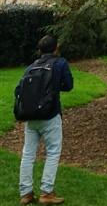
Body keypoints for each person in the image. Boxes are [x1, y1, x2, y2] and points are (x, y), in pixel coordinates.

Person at [17, 34, 74, 206]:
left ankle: (25, 193)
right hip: (50, 114)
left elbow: (19, 90)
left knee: (28, 153)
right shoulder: (60, 63)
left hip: (30, 116)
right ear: (56, 47)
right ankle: (46, 192)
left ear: (40, 50)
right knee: (53, 151)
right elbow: (69, 85)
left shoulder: (31, 67)